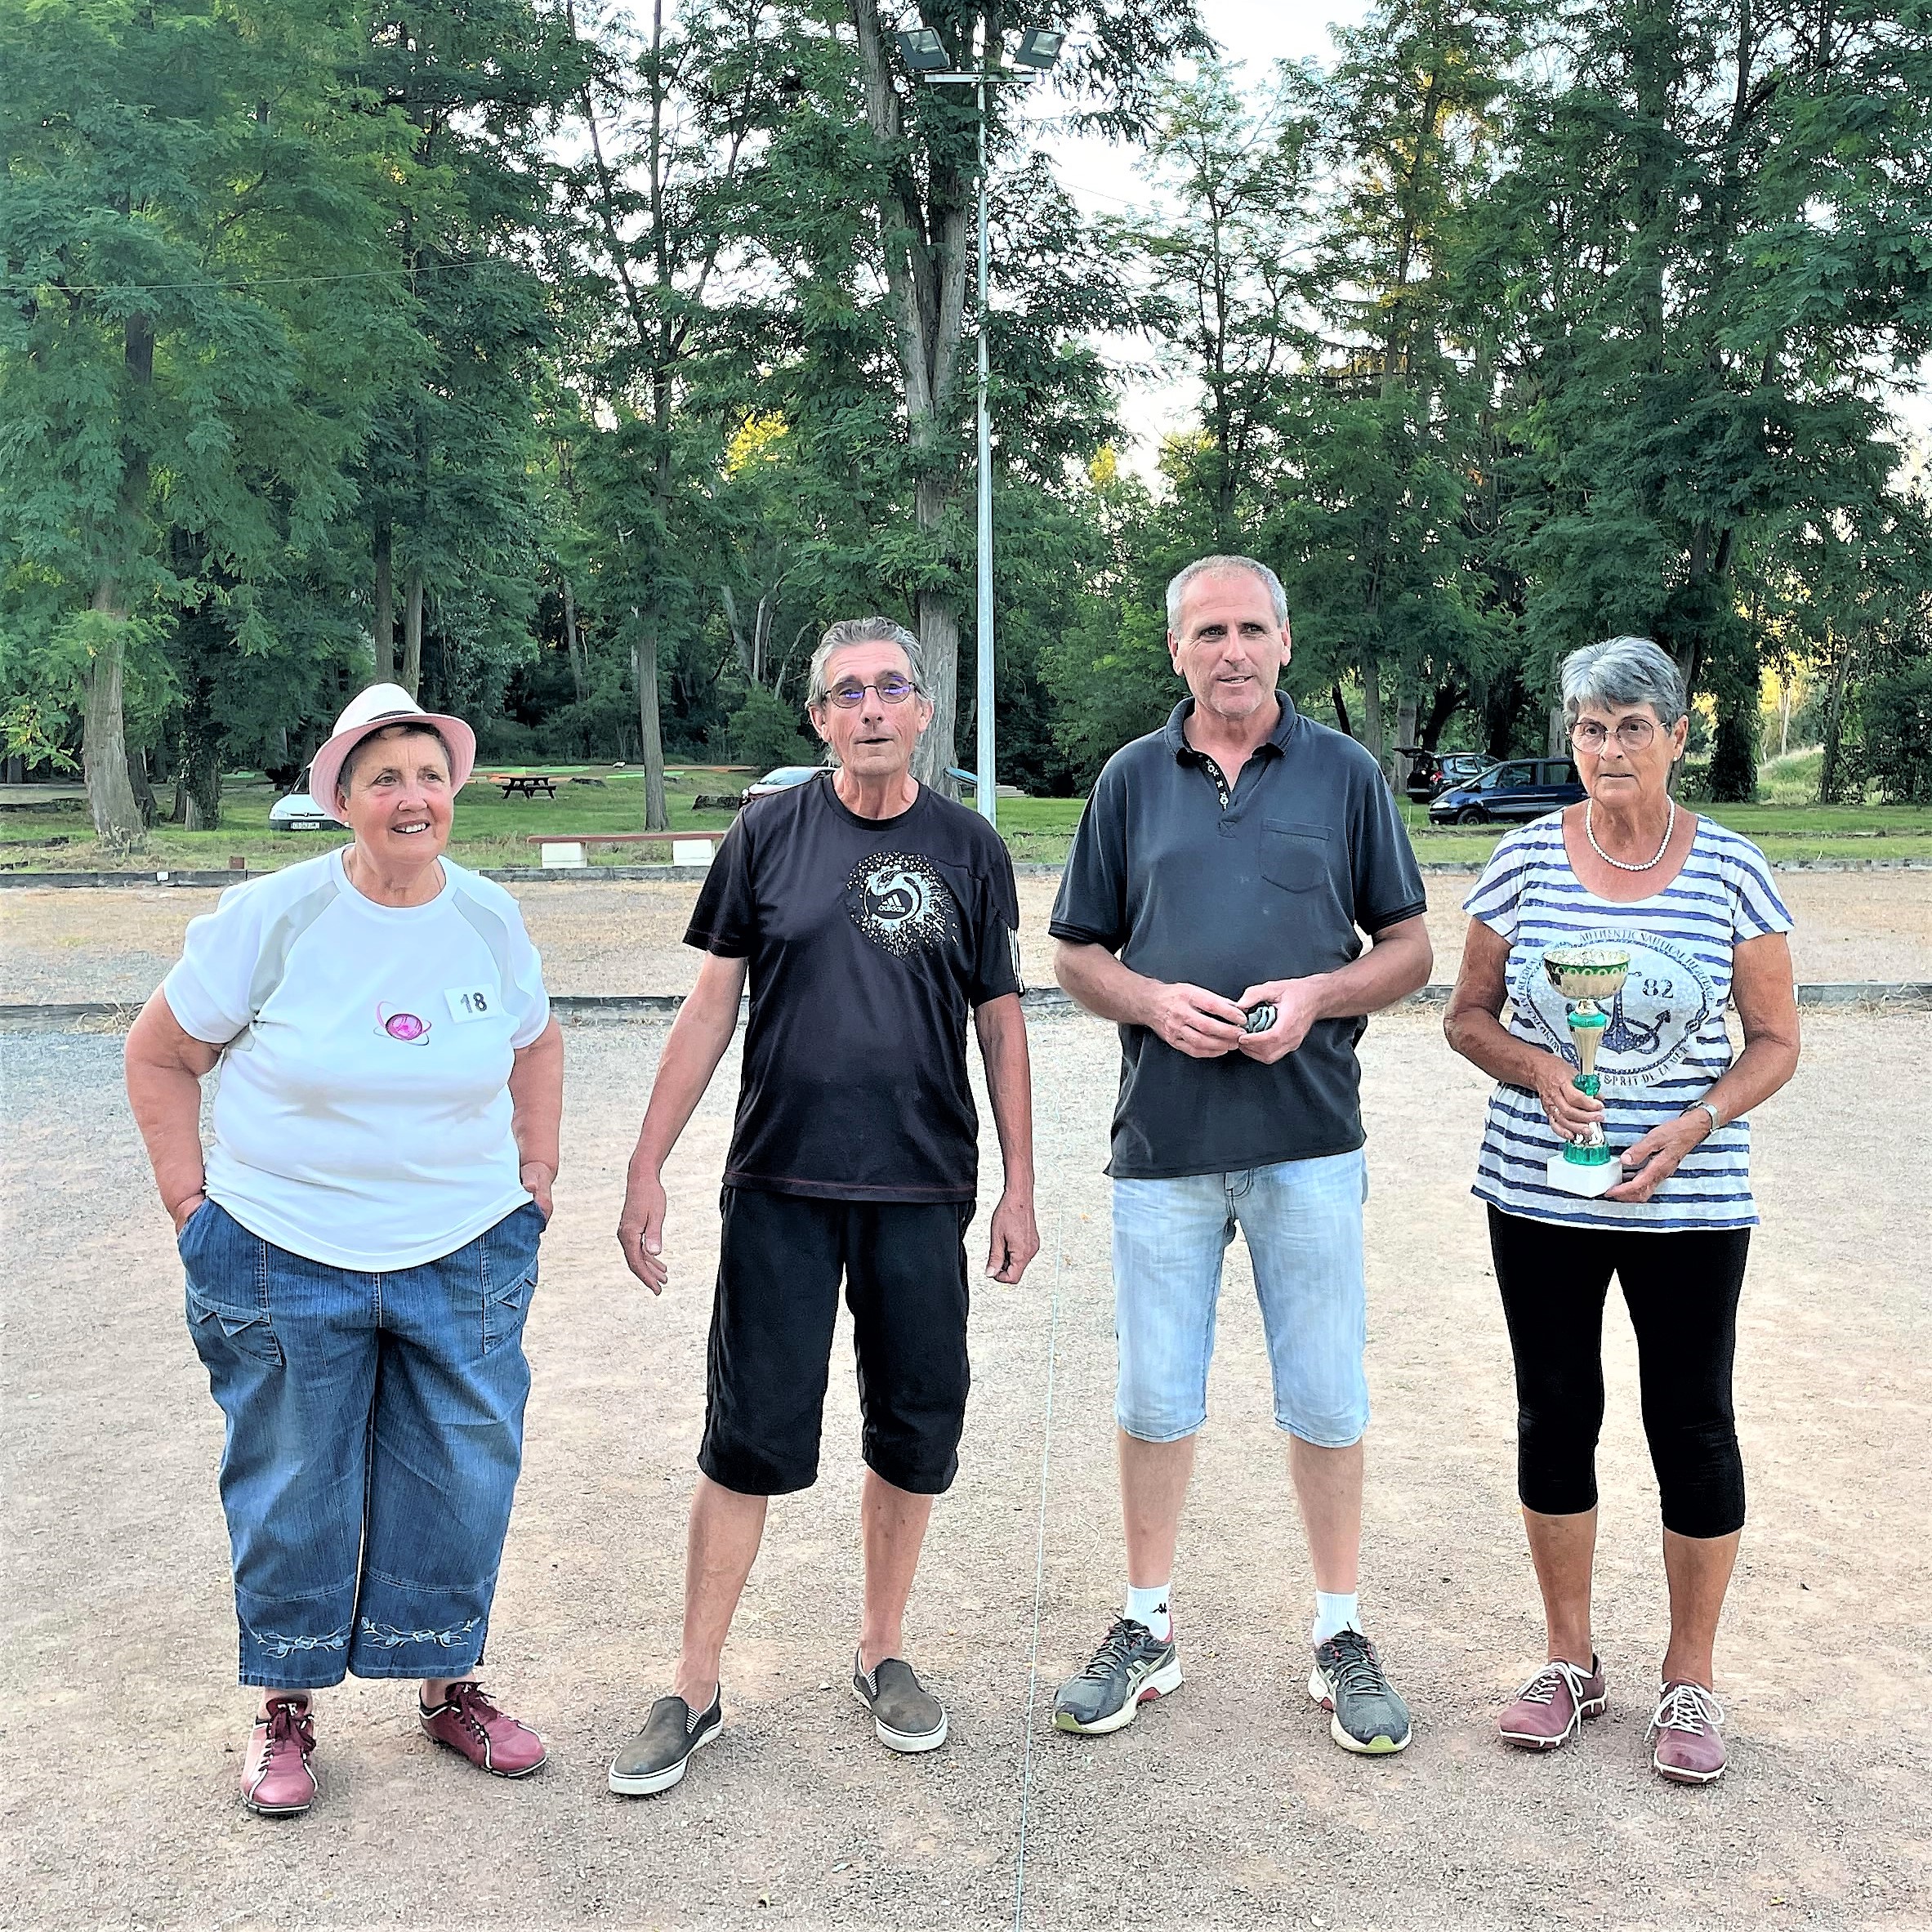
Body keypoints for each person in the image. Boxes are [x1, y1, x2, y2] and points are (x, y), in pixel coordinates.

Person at [608, 617, 1038, 1796]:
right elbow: (708, 1010)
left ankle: (881, 1649)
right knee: (745, 1437)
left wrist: (1019, 1182)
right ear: (817, 719)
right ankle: (693, 1682)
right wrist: (647, 1163)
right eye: (845, 693)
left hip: (919, 1188)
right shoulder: (765, 834)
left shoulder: (969, 846)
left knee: (913, 1428)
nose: (869, 708)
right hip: (780, 1185)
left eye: (890, 687)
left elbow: (1000, 1021)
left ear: (921, 708)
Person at [124, 683, 563, 1818]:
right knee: (291, 1483)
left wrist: (537, 1178)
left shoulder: (488, 917)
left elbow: (537, 1040)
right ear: (341, 800)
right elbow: (161, 1053)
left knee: (461, 1473)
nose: (411, 797)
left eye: (427, 775)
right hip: (283, 1248)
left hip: (462, 1248)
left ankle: (446, 1678)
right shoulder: (273, 917)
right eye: (384, 780)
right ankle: (284, 1702)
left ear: (449, 790)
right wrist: (191, 1205)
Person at [1047, 556, 1432, 1756]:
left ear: (1283, 640)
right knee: (1155, 1397)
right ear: (1176, 650)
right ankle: (1146, 1625)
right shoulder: (1126, 780)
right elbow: (1074, 955)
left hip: (1306, 1137)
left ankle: (1337, 1633)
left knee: (1323, 1392)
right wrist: (1151, 1002)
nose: (1230, 651)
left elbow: (1412, 947)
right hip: (1163, 1141)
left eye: (1250, 629)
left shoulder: (1344, 772)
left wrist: (1321, 991)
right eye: (1207, 631)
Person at [1443, 636, 1800, 1785]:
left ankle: (1687, 1674)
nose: (1606, 748)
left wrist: (1694, 1121)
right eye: (1589, 727)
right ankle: (1567, 1659)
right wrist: (1535, 1072)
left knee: (1690, 1421)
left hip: (1689, 1196)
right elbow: (1465, 1015)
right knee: (1554, 1413)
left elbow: (1776, 1041)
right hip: (1540, 1187)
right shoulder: (1518, 862)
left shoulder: (1733, 869)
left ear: (1675, 737)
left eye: (1631, 728)